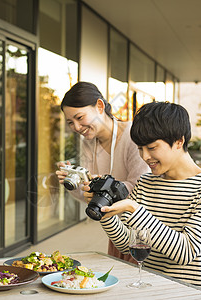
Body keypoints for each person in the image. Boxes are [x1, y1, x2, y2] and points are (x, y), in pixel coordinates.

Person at [94, 101, 201, 287]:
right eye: (140, 148)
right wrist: (105, 212)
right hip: (146, 288)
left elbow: (186, 252)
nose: (144, 157)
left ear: (179, 141)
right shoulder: (145, 183)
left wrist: (134, 209)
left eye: (152, 148)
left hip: (186, 292)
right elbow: (127, 245)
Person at [56, 81, 149, 261]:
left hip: (142, 228)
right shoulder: (88, 142)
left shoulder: (133, 135)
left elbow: (141, 187)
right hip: (114, 227)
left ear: (99, 106)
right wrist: (74, 181)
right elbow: (89, 194)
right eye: (70, 122)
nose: (76, 127)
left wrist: (104, 187)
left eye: (80, 117)